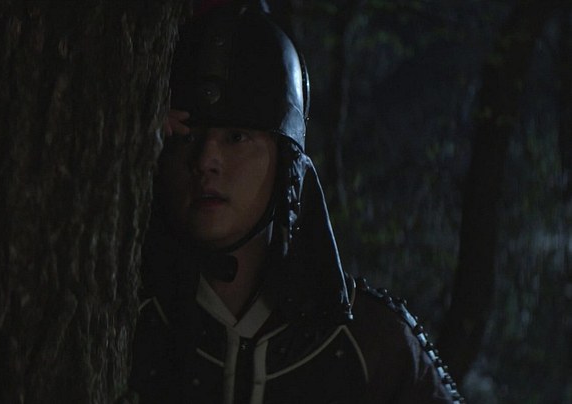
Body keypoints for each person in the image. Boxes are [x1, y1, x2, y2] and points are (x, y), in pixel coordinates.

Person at [129, 2, 464, 403]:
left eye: (236, 137)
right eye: (186, 137)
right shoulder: (125, 317)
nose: (205, 161)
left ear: (287, 162)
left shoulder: (371, 342)